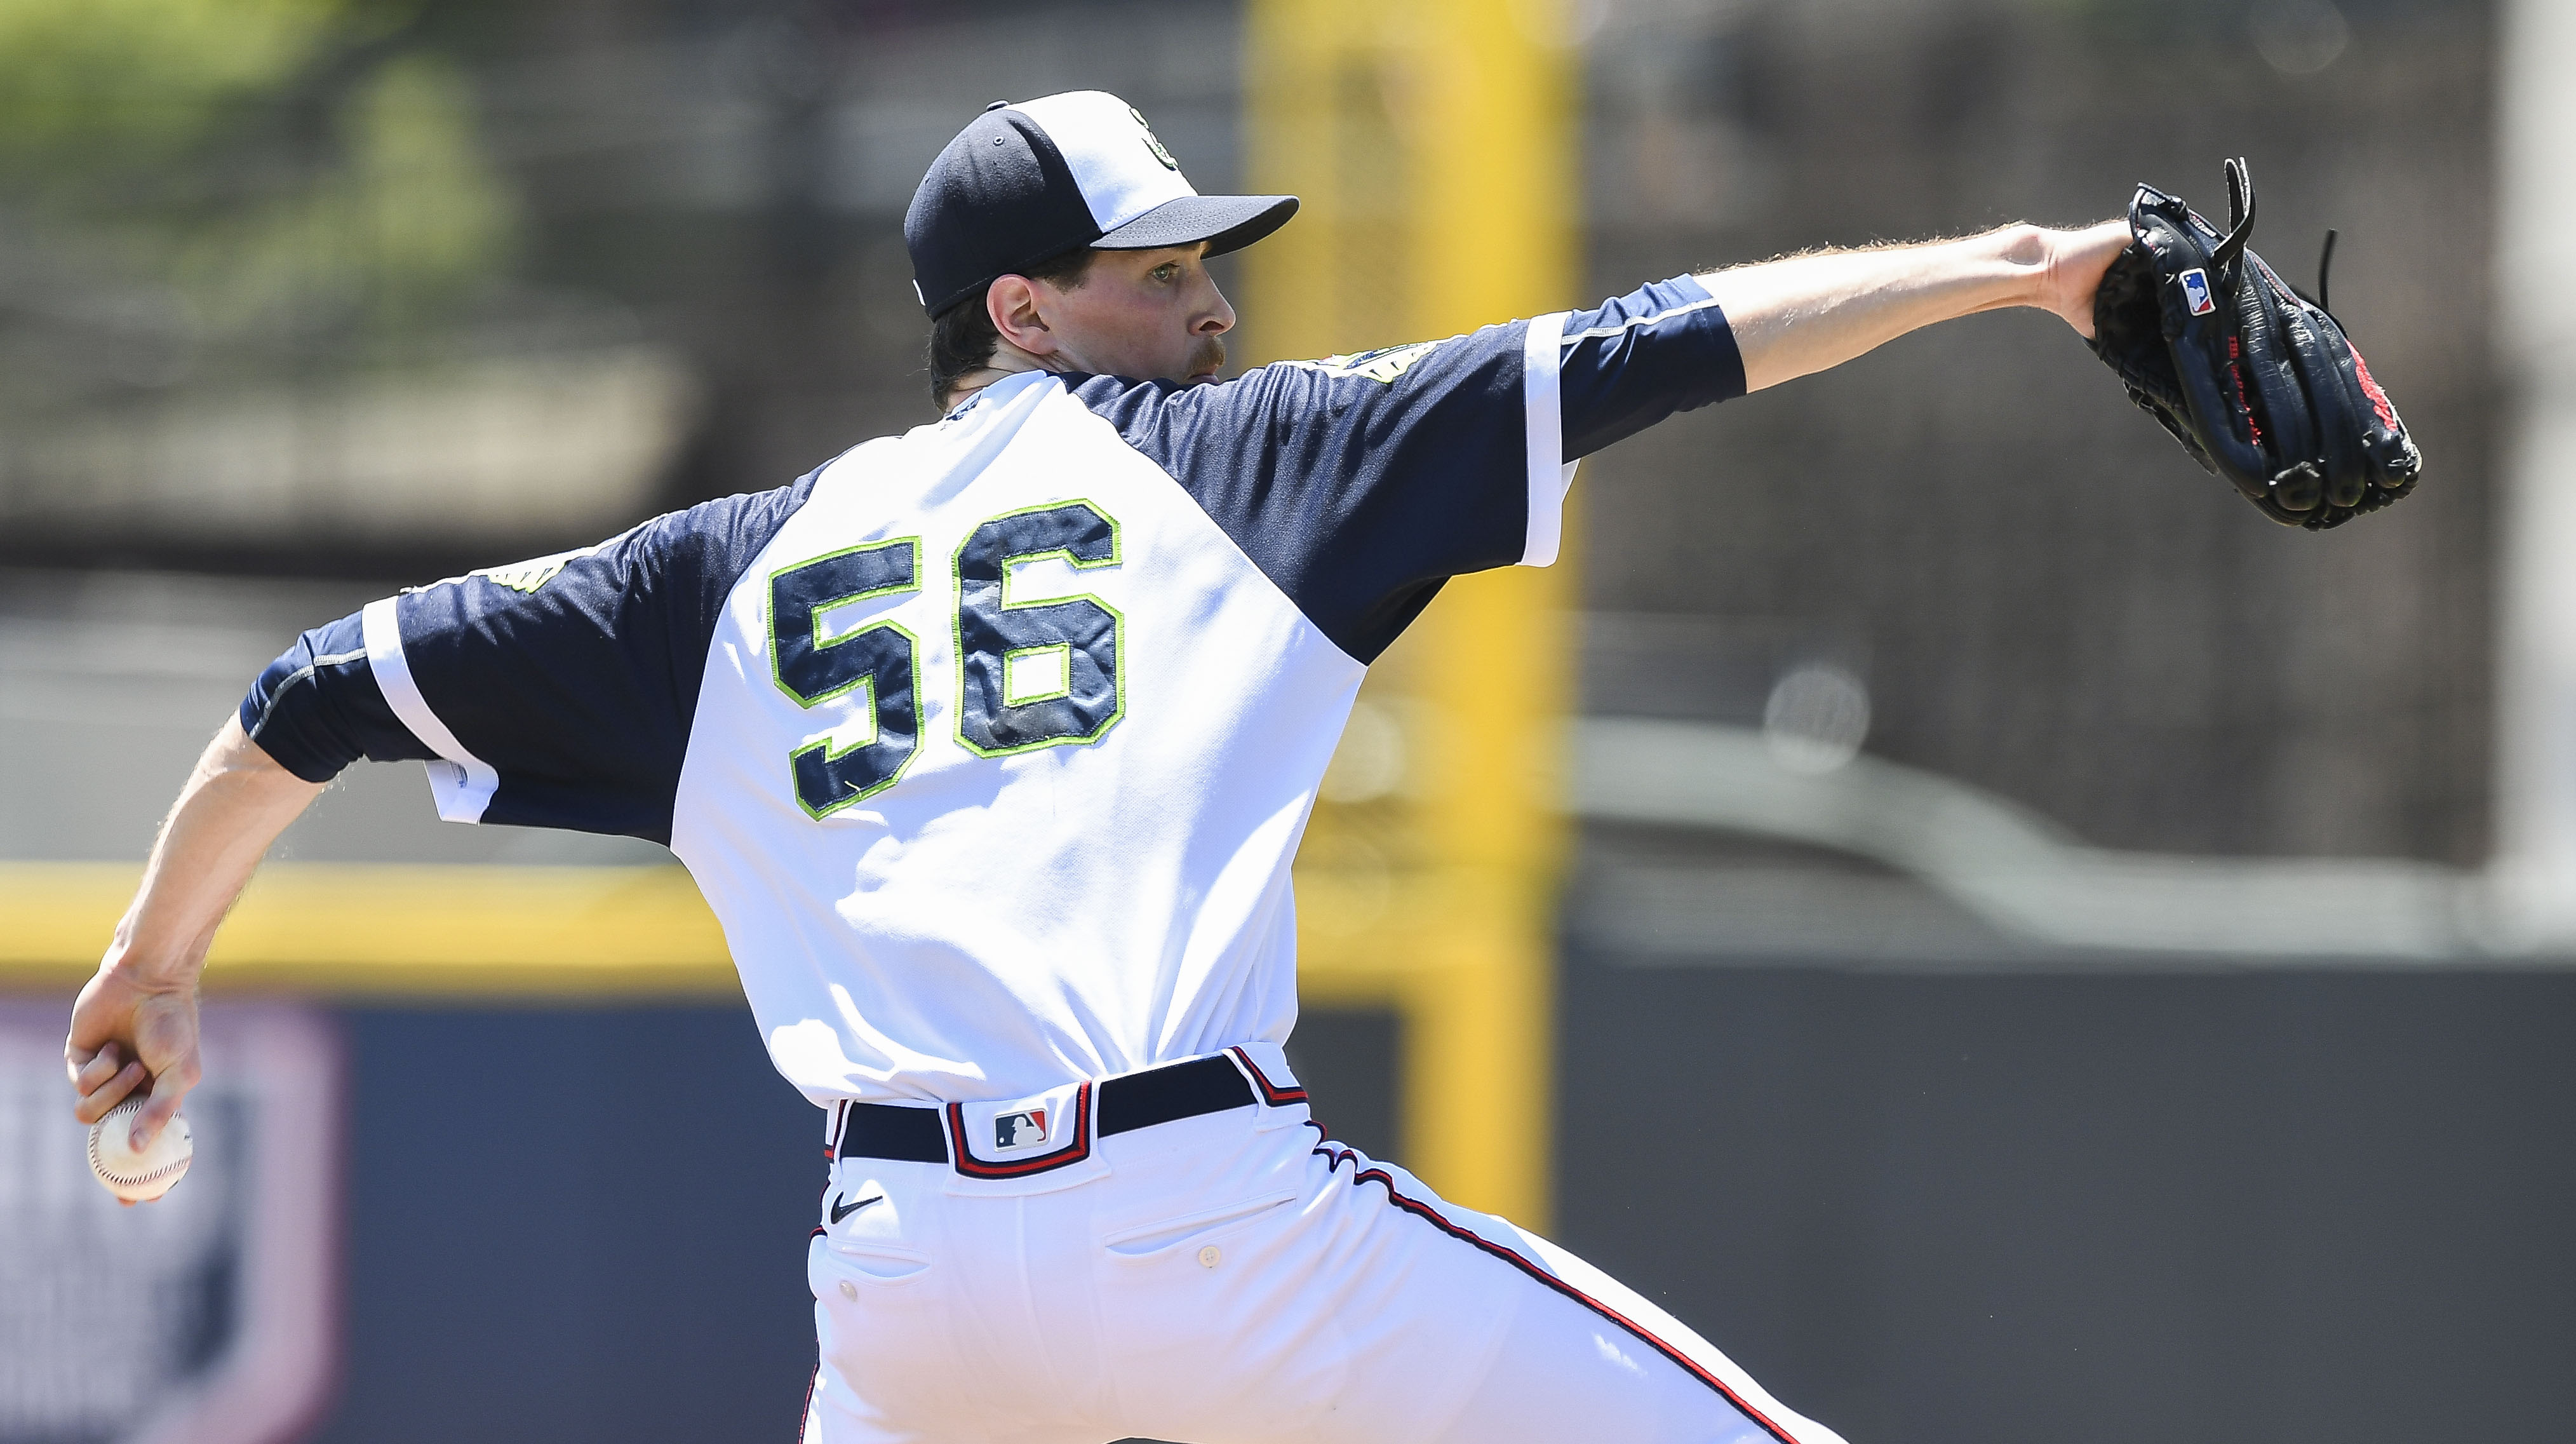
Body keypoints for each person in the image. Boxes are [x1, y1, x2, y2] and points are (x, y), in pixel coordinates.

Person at [66, 90, 2128, 1444]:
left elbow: (314, 689)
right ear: (1021, 310)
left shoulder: (711, 574)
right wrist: (2021, 267)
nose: (1213, 306)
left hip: (905, 1289)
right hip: (1212, 1229)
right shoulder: (1245, 463)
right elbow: (1655, 341)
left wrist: (155, 964)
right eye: (1164, 273)